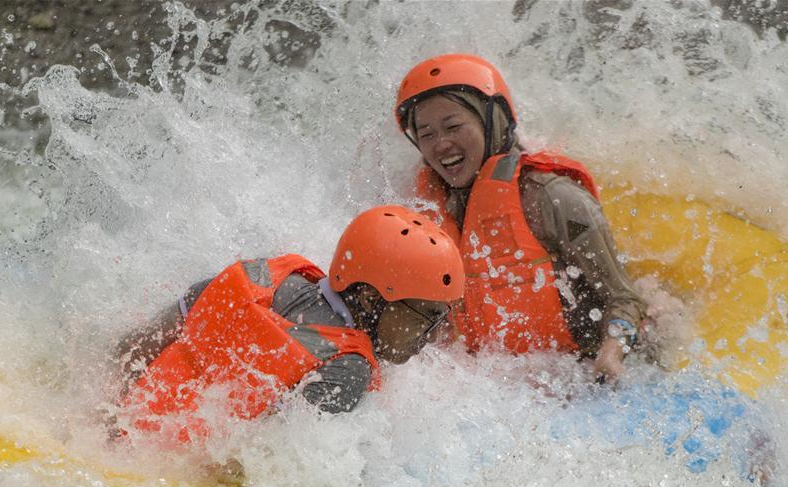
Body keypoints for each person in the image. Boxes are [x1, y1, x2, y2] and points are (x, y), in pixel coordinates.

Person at [113, 205, 465, 446]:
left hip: (120, 430)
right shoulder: (346, 368)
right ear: (373, 300)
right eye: (428, 317)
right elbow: (269, 466)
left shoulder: (258, 276)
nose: (433, 336)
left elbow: (133, 349)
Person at [393, 54, 647, 383]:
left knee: (659, 308)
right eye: (426, 134)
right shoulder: (424, 212)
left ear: (493, 120)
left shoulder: (554, 198)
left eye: (453, 126)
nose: (441, 144)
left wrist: (611, 353)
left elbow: (624, 298)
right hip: (501, 382)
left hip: (579, 366)